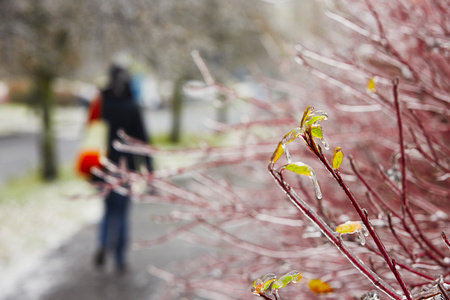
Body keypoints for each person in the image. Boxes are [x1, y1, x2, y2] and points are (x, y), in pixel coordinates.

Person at [92, 64, 153, 273]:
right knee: (122, 213)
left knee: (108, 210)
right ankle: (119, 259)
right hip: (125, 169)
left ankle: (103, 242)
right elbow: (143, 143)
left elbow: (89, 134)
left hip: (101, 167)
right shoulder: (132, 107)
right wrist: (150, 173)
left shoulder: (102, 104)